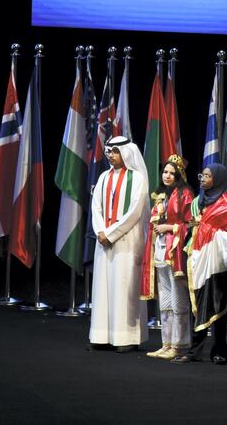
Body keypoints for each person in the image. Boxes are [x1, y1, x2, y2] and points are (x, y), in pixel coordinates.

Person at [89, 135, 149, 352]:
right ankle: (101, 335)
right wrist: (100, 231)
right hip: (103, 240)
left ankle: (126, 337)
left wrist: (111, 233)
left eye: (115, 152)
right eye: (110, 152)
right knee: (103, 287)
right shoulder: (104, 177)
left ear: (126, 153)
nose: (111, 156)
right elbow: (96, 207)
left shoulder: (138, 179)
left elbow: (135, 212)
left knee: (125, 286)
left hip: (127, 241)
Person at [172, 163, 227, 364]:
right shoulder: (198, 201)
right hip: (199, 259)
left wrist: (205, 227)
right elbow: (192, 228)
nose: (202, 178)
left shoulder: (226, 205)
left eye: (207, 176)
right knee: (197, 304)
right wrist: (195, 229)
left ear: (217, 179)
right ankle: (194, 351)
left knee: (217, 306)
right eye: (202, 175)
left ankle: (219, 352)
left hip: (217, 263)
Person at [140, 154, 195, 360]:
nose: (167, 176)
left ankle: (180, 344)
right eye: (165, 172)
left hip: (176, 252)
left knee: (178, 298)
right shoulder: (160, 195)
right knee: (164, 298)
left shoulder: (185, 194)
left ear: (179, 175)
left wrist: (170, 227)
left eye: (172, 173)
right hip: (160, 250)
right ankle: (166, 343)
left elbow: (190, 224)